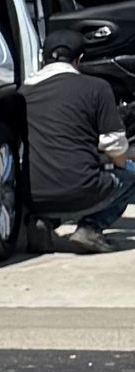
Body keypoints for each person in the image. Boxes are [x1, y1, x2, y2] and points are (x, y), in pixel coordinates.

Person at [25, 53, 132, 249]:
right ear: (79, 59)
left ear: (43, 60)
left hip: (32, 194)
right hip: (80, 188)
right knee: (130, 173)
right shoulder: (96, 87)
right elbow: (115, 147)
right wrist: (118, 164)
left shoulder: (23, 92)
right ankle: (90, 229)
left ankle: (43, 222)